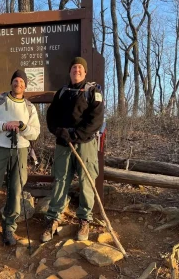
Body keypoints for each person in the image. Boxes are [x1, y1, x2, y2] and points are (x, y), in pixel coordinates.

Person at [40, 57, 104, 242]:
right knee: (60, 180)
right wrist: (59, 132)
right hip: (63, 144)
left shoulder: (93, 91)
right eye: (74, 67)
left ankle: (84, 219)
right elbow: (51, 117)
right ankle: (53, 218)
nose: (77, 70)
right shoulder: (62, 92)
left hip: (85, 144)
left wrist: (75, 135)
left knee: (86, 180)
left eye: (80, 68)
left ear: (84, 72)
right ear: (70, 71)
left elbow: (96, 120)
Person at [0, 69, 41, 252]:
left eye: (21, 81)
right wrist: (3, 126)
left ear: (25, 86)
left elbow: (35, 132)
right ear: (11, 83)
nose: (18, 83)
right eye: (15, 80)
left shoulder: (29, 107)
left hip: (20, 151)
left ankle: (9, 229)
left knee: (16, 191)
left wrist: (22, 126)